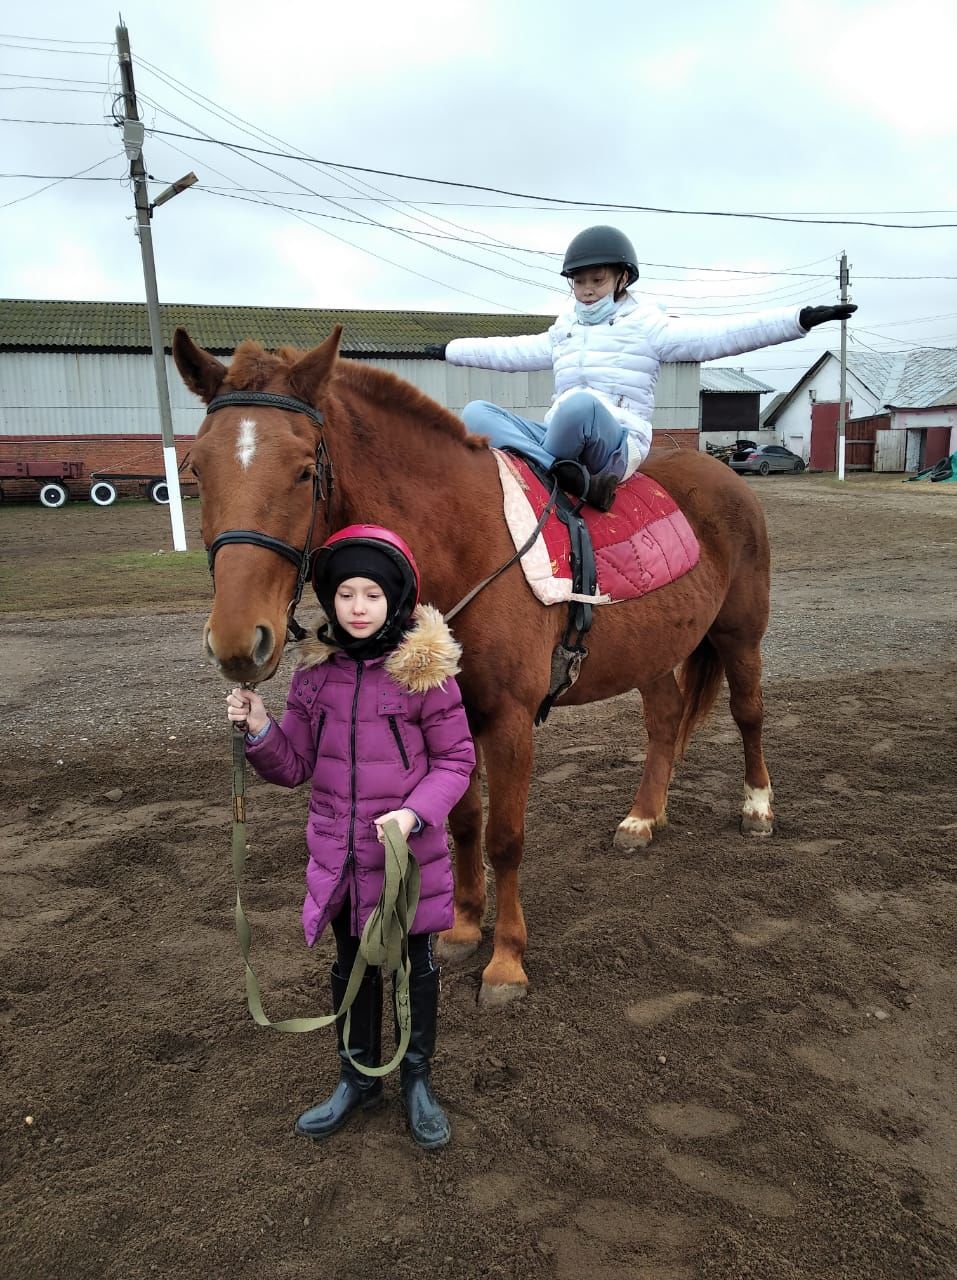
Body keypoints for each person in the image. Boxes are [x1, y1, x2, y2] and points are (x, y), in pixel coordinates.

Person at [225, 525, 476, 1151]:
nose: (358, 607)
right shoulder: (314, 677)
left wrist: (414, 815)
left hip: (406, 860)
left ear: (396, 599)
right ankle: (357, 1076)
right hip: (339, 856)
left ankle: (416, 1079)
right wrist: (260, 729)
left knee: (412, 968)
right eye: (345, 595)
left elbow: (456, 761)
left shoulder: (427, 678)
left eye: (371, 594)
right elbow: (293, 767)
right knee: (352, 966)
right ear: (329, 601)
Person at [425, 225, 856, 511]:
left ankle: (564, 472)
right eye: (580, 282)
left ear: (621, 279)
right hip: (560, 439)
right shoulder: (564, 330)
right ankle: (561, 473)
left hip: (613, 441)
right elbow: (509, 352)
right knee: (477, 413)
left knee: (578, 405)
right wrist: (447, 349)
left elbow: (721, 335)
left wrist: (799, 319)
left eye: (597, 280)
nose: (588, 291)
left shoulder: (650, 326)